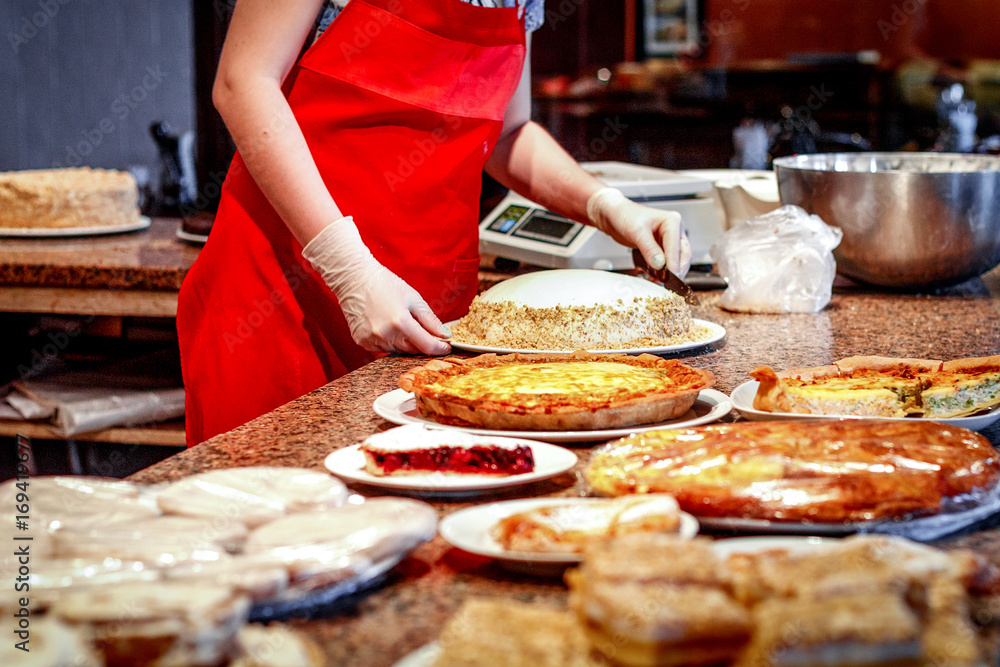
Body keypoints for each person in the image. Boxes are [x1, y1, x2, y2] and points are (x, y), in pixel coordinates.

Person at [177, 0, 692, 446]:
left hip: (425, 311)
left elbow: (509, 132)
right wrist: (348, 267)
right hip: (282, 296)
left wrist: (607, 206)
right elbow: (244, 80)